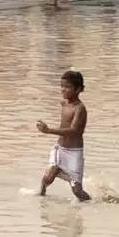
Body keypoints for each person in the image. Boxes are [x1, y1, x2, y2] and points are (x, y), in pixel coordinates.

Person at [37, 69, 90, 201]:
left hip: (74, 152)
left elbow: (74, 131)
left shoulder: (80, 108)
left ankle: (93, 203)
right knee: (47, 178)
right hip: (60, 148)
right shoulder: (64, 103)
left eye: (67, 87)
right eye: (61, 86)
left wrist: (49, 130)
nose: (63, 89)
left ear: (78, 89)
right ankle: (41, 198)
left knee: (77, 191)